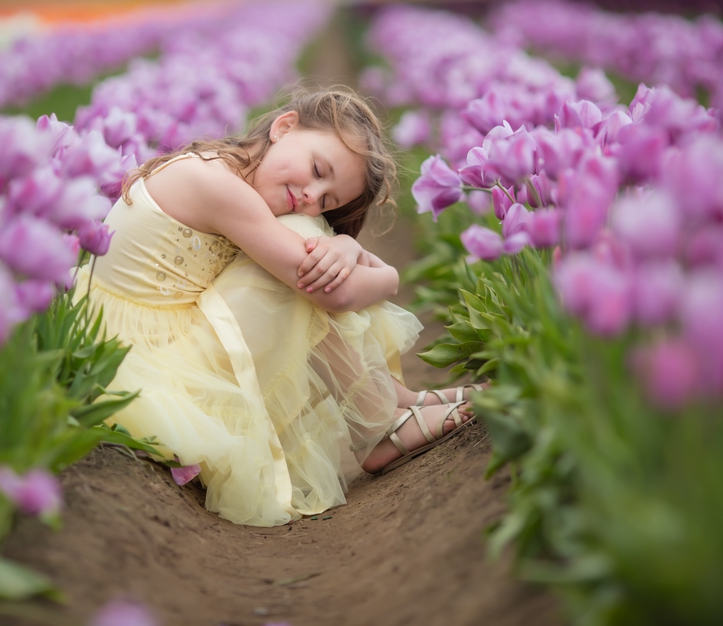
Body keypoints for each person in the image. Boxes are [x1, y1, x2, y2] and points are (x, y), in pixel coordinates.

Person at [73, 86, 482, 527]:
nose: (311, 195)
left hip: (146, 343)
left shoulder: (233, 174)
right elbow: (334, 292)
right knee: (307, 259)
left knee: (309, 240)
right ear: (284, 127)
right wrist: (390, 277)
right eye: (317, 170)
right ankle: (378, 425)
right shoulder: (214, 183)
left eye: (328, 199)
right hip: (143, 363)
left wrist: (345, 244)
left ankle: (397, 402)